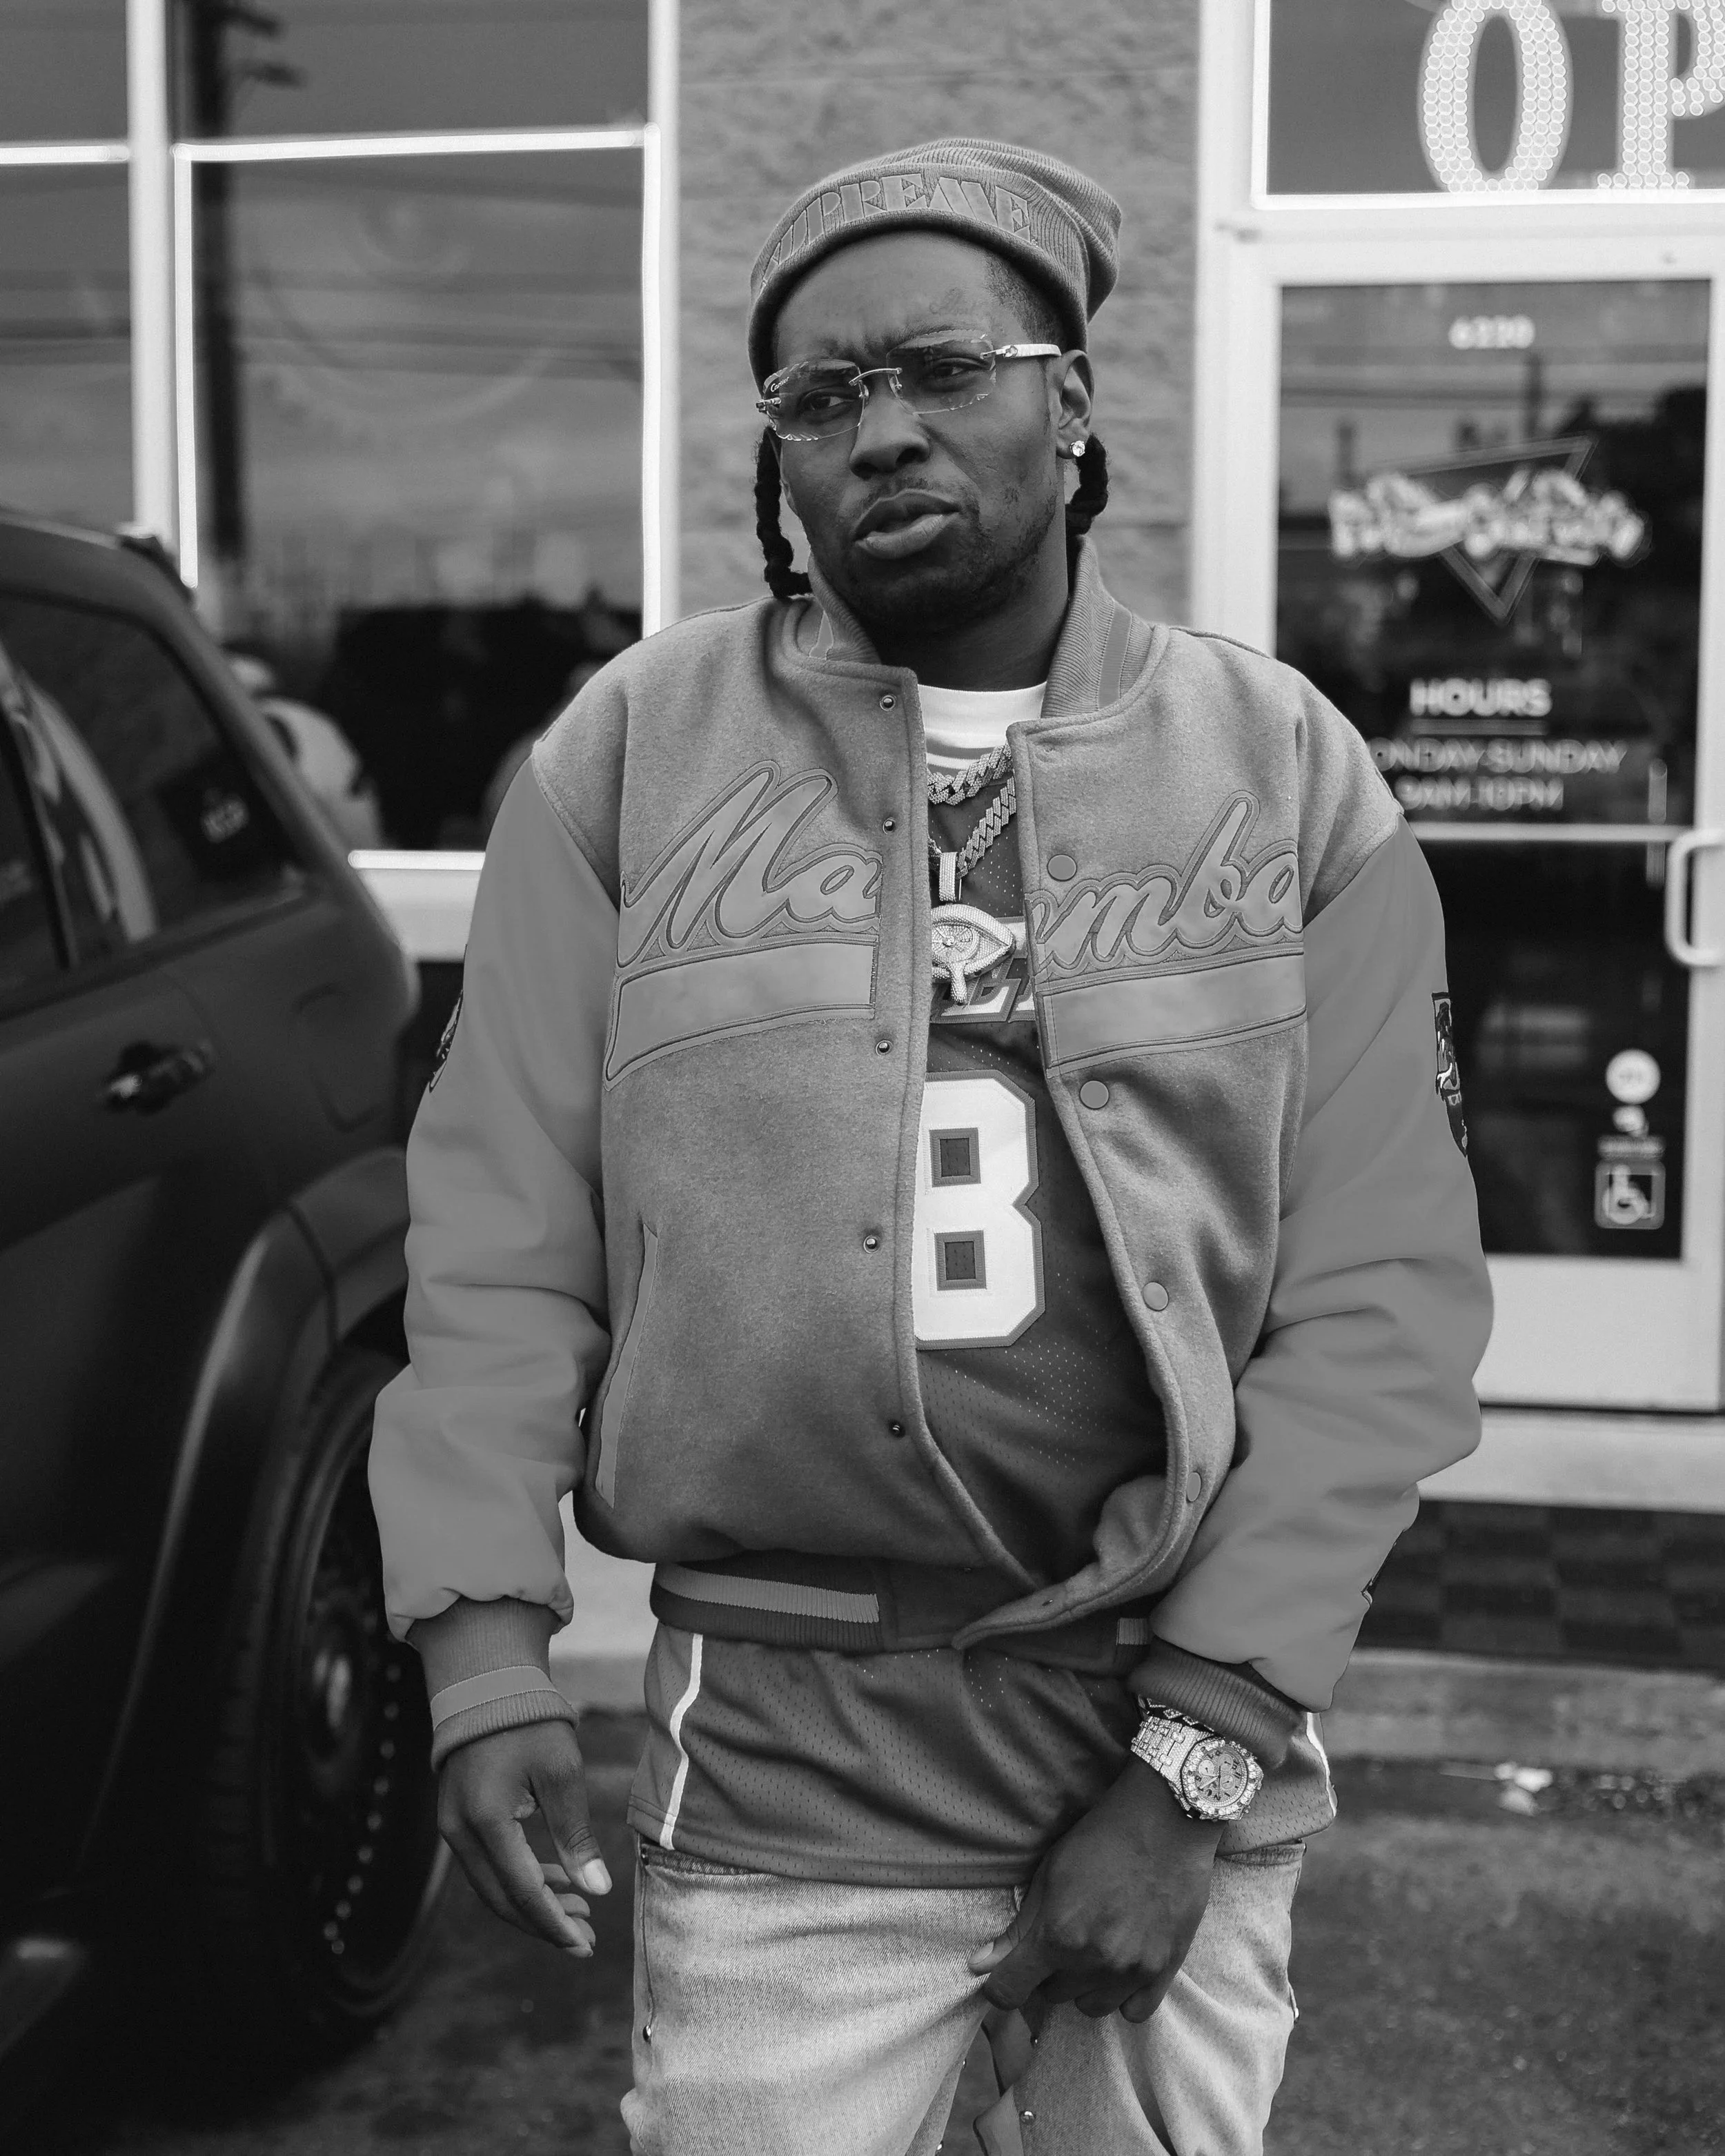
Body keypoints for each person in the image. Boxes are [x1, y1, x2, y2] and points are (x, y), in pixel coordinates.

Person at [369, 139, 1492, 2156]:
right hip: (792, 1731)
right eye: (814, 397)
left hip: (1158, 1701)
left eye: (940, 366)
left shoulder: (1282, 773)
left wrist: (1191, 1764)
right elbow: (497, 1239)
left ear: (1068, 404)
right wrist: (478, 1646)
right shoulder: (627, 760)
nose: (877, 429)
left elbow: (1380, 1297)